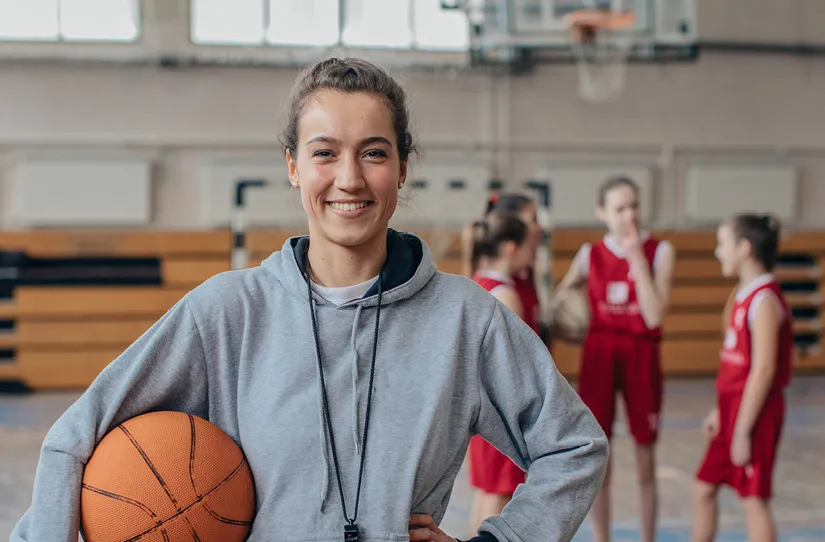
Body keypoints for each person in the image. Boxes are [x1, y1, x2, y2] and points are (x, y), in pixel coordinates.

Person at [11, 57, 608, 542]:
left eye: (374, 152)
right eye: (325, 152)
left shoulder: (465, 320)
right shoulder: (228, 313)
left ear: (402, 168)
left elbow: (575, 446)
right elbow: (73, 439)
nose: (349, 177)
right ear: (294, 167)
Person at [555, 176, 675, 542]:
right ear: (601, 212)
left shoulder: (660, 250)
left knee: (645, 458)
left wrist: (635, 253)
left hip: (642, 352)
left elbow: (654, 316)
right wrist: (570, 317)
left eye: (634, 206)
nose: (629, 215)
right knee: (600, 457)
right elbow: (560, 304)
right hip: (600, 353)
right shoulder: (589, 254)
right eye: (620, 208)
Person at [692, 214, 791, 542]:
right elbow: (736, 364)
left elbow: (763, 370)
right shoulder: (743, 294)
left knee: (753, 500)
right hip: (732, 409)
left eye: (723, 244)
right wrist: (720, 410)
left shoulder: (764, 300)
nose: (718, 252)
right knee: (703, 488)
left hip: (755, 414)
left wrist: (743, 431)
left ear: (744, 248)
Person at [466, 213, 537, 535]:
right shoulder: (506, 295)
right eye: (528, 248)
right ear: (511, 248)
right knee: (499, 498)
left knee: (484, 495)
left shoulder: (476, 281)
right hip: (501, 414)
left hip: (478, 410)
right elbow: (517, 370)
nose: (531, 255)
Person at [461, 193, 543, 338]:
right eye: (532, 220)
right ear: (511, 248)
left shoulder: (482, 278)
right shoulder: (505, 294)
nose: (538, 227)